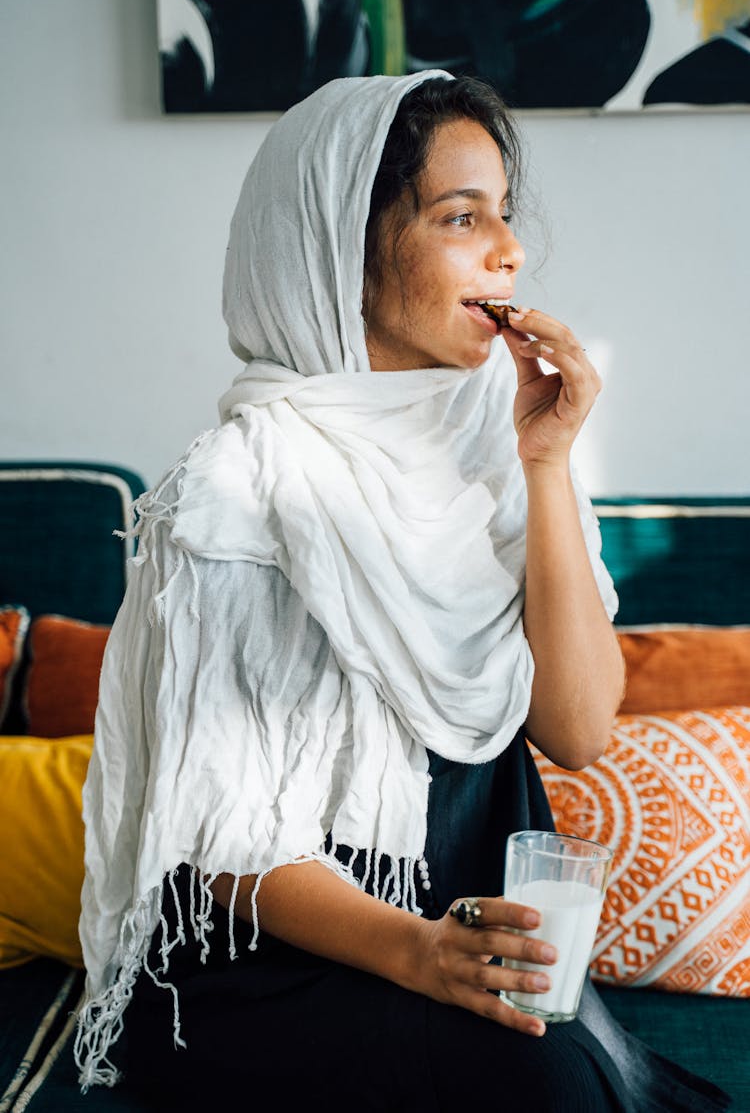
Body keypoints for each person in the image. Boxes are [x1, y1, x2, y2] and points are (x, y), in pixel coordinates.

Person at [74, 71, 730, 1112]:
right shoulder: (240, 483)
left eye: (506, 215)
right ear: (344, 247)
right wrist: (421, 955)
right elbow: (225, 843)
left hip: (463, 931)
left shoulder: (496, 444)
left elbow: (579, 728)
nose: (508, 251)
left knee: (600, 1081)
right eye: (460, 217)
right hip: (280, 964)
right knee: (556, 1088)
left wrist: (550, 463)